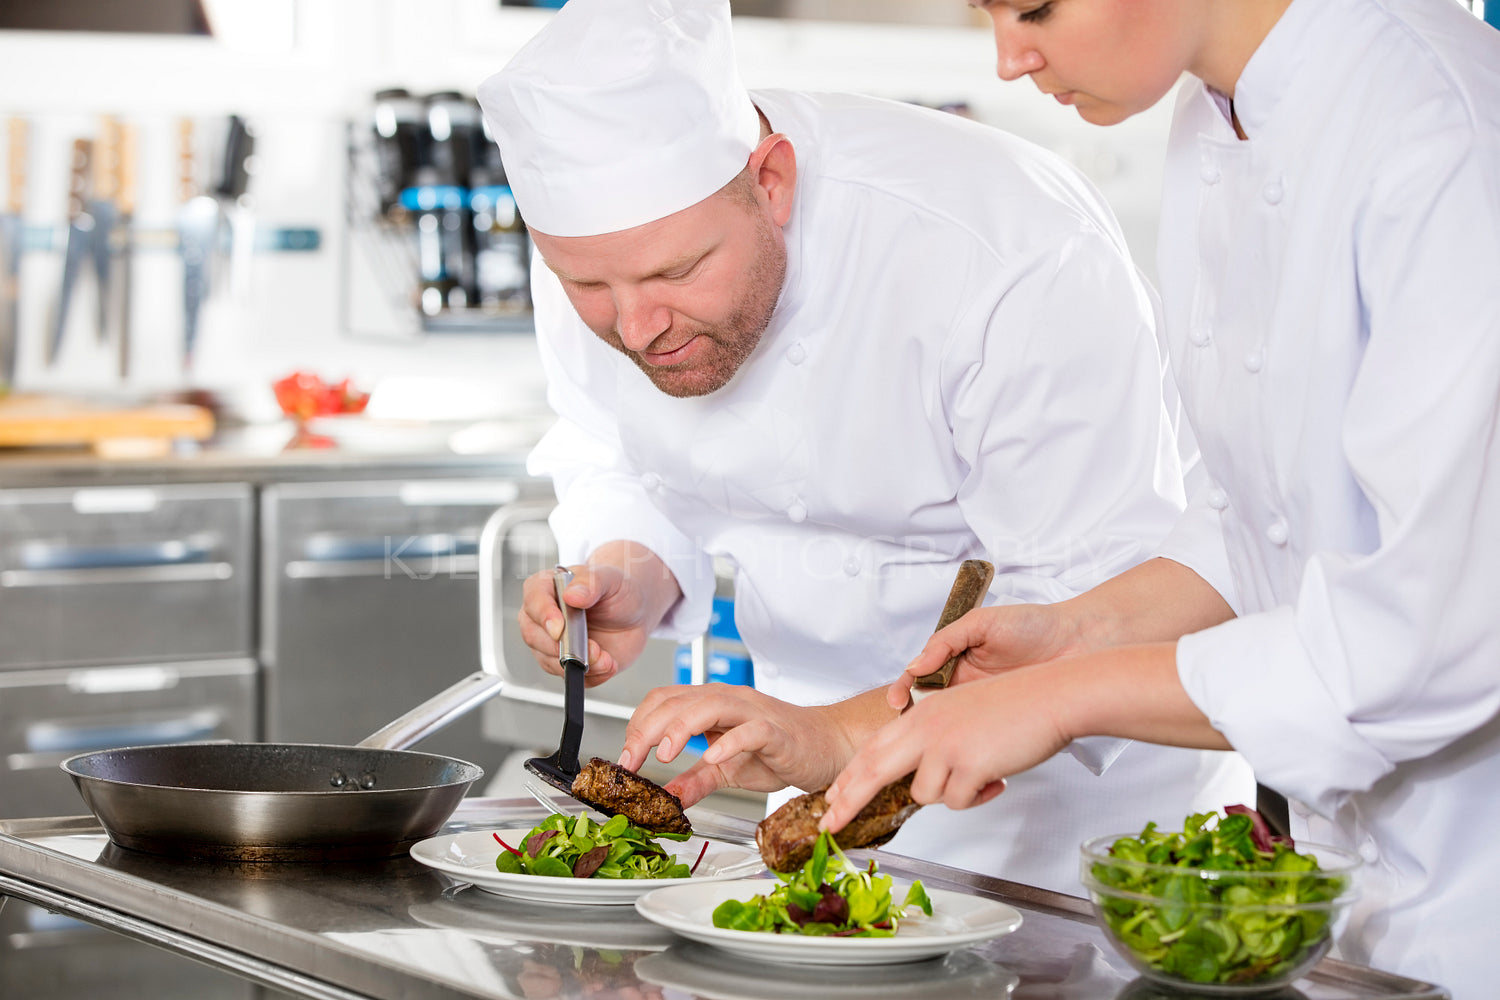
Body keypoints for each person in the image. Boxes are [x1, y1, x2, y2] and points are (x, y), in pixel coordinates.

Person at [477, 0, 1252, 895]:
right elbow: (612, 448)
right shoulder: (604, 248)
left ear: (772, 179)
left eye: (678, 273)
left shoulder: (1003, 249)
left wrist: (835, 735)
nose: (638, 325)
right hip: (799, 795)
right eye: (588, 286)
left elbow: (1082, 607)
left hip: (1069, 832)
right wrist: (631, 571)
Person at [813, 0, 1500, 993]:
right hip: (1360, 906)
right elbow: (1266, 511)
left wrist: (1063, 699)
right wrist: (1081, 633)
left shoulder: (1444, 128)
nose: (1010, 58)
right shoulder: (1210, 117)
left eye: (1035, 7)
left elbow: (1433, 626)